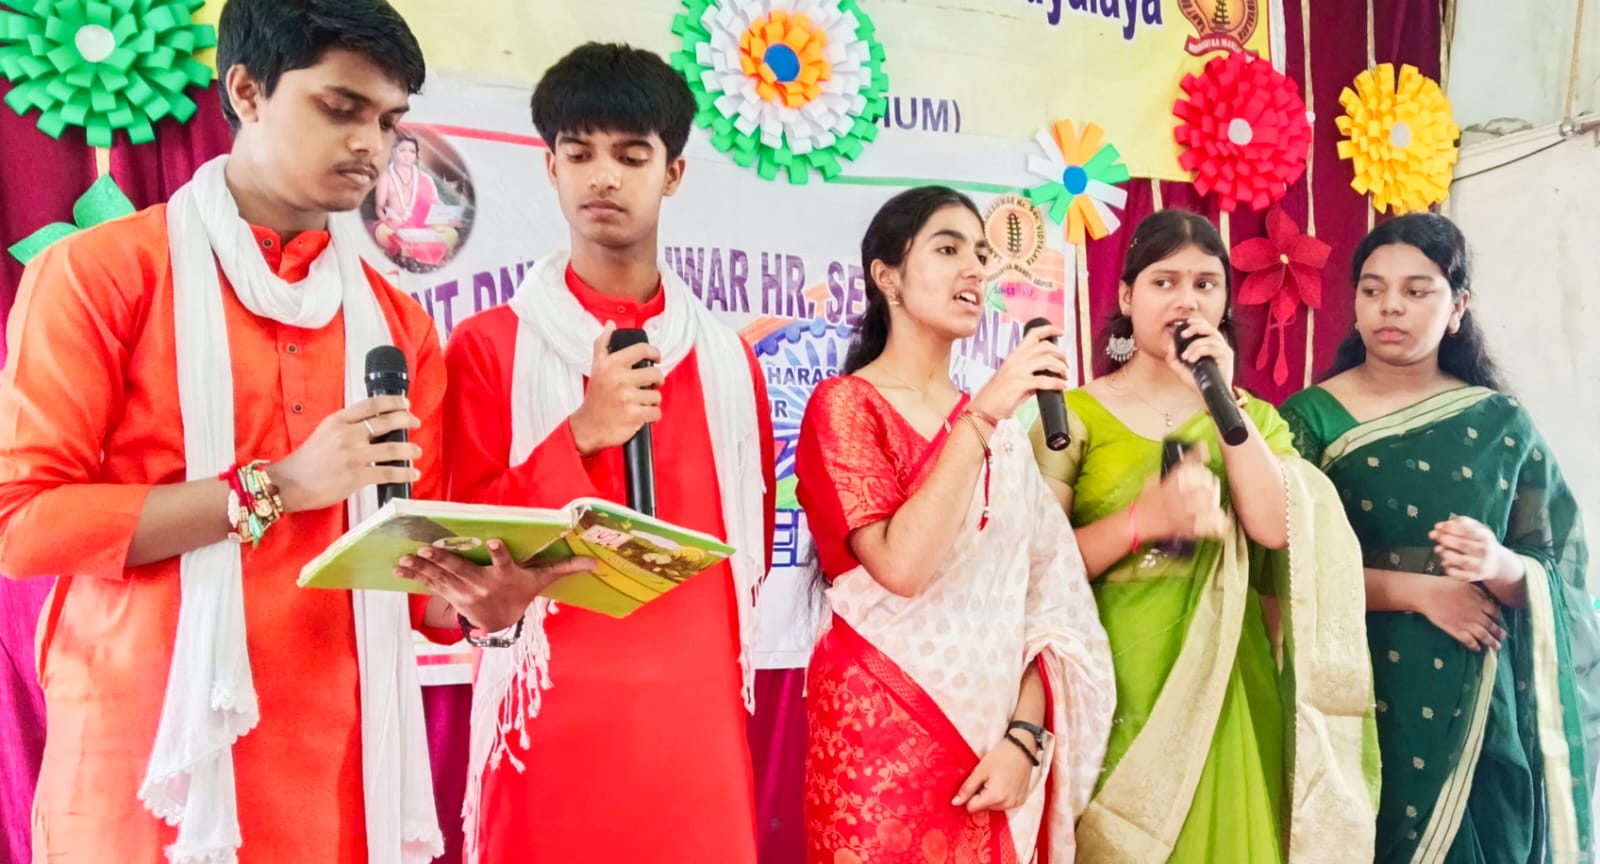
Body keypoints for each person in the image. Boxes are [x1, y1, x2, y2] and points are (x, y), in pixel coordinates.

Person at [0, 1, 451, 862]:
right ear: (246, 91)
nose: (370, 144)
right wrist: (276, 487)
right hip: (147, 766)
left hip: (337, 772)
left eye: (389, 121)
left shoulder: (399, 327)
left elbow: (409, 568)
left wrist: (480, 604)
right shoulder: (103, 275)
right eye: (341, 107)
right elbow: (23, 525)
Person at [392, 42, 775, 864]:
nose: (604, 176)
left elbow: (751, 555)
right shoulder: (489, 346)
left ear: (673, 173)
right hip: (547, 718)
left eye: (631, 156)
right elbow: (456, 556)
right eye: (580, 153)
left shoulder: (727, 360)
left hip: (696, 728)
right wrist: (580, 435)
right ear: (550, 167)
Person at [1031, 209, 1376, 861]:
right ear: (1127, 297)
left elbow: (1274, 527)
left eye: (1205, 284)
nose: (1186, 300)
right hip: (1111, 682)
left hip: (1225, 686)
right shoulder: (1072, 417)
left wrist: (1222, 405)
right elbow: (1035, 568)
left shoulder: (1254, 419)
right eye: (1164, 282)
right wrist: (1143, 522)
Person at [794, 186, 1116, 863]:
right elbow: (902, 566)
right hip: (879, 745)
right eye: (947, 249)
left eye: (980, 254)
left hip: (994, 755)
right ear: (887, 277)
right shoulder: (846, 406)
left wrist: (1025, 739)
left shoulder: (1002, 436)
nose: (974, 268)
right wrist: (982, 416)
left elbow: (1047, 610)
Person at [1280, 212, 1600, 864]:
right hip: (1353, 686)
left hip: (1477, 694)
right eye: (1372, 289)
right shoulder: (1309, 419)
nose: (1390, 306)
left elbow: (1557, 565)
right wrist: (1422, 594)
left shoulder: (1500, 422)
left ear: (1457, 308)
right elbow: (1284, 568)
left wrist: (1501, 565)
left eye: (1416, 290)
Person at [372, 132, 459, 266]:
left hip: (426, 225)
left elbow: (435, 205)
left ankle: (417, 251)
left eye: (412, 151)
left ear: (416, 155)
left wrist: (447, 219)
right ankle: (413, 251)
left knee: (451, 234)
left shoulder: (425, 178)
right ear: (394, 152)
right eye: (402, 150)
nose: (407, 155)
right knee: (382, 231)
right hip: (397, 223)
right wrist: (388, 220)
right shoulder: (386, 177)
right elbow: (379, 208)